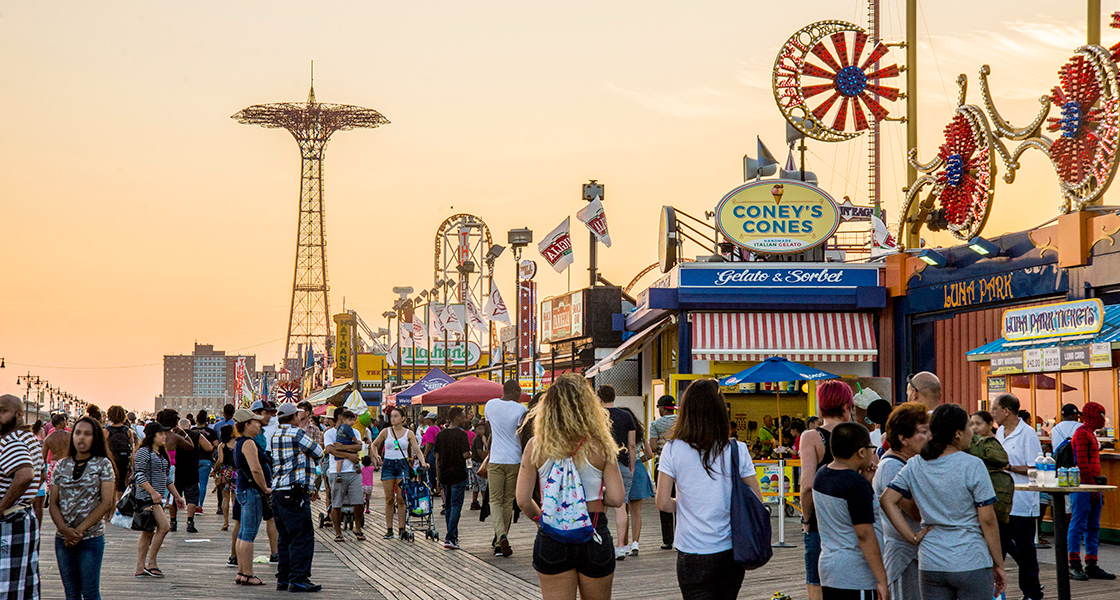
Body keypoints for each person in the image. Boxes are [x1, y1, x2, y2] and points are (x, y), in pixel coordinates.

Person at [516, 374, 625, 600]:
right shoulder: (602, 444)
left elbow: (523, 500)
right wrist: (597, 498)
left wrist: (541, 520)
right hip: (593, 530)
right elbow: (616, 498)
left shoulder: (536, 445)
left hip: (553, 534)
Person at [881, 404, 1006, 600]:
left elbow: (887, 500)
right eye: (968, 427)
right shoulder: (972, 465)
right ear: (957, 433)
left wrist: (911, 537)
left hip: (931, 561)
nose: (971, 432)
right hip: (970, 558)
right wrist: (998, 563)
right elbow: (988, 520)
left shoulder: (915, 464)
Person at [655, 379, 762, 600]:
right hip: (731, 550)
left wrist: (684, 504)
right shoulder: (737, 449)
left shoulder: (672, 449)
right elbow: (756, 500)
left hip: (691, 552)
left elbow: (663, 502)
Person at [813, 422, 887, 600]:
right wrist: (882, 579)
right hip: (856, 574)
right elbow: (864, 534)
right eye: (871, 448)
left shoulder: (822, 475)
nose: (873, 452)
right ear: (861, 452)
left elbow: (842, 512)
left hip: (829, 568)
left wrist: (865, 479)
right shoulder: (856, 485)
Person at [49, 416, 115, 600]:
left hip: (90, 537)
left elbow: (106, 502)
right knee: (71, 593)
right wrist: (64, 530)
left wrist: (78, 531)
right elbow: (53, 502)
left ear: (95, 438)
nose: (81, 438)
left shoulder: (103, 464)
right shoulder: (62, 465)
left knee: (90, 592)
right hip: (63, 538)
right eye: (78, 433)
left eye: (88, 434)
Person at [799, 380, 853, 600]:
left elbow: (807, 486)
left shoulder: (812, 437)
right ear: (845, 406)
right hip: (851, 520)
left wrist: (806, 519)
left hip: (821, 521)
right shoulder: (856, 435)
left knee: (816, 582)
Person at [871, 402, 930, 600]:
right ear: (903, 438)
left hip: (915, 554)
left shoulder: (909, 462)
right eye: (922, 432)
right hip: (904, 556)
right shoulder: (891, 467)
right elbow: (915, 510)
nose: (928, 437)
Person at [991, 393, 1043, 600]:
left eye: (995, 409)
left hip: (1023, 502)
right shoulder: (1000, 433)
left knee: (1026, 551)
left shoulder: (1027, 434)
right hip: (1002, 503)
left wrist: (1010, 467)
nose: (992, 413)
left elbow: (1036, 468)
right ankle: (995, 593)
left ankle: (1031, 593)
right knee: (998, 550)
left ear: (1006, 411)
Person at [270, 402, 325, 593]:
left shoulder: (275, 435)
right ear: (294, 417)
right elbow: (319, 452)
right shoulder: (297, 434)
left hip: (278, 491)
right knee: (302, 535)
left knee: (284, 537)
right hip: (295, 491)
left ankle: (283, 578)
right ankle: (299, 578)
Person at [0, 394, 43, 598]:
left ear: (18, 414)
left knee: (5, 587)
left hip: (9, 520)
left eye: (2, 411)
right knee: (23, 584)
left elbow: (26, 474)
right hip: (23, 517)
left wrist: (2, 506)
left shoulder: (11, 440)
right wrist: (27, 497)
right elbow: (40, 473)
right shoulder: (29, 439)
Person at [1067, 401, 1115, 581]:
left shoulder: (1089, 434)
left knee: (1093, 526)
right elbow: (1082, 463)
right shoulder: (1081, 434)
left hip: (1092, 486)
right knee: (1078, 524)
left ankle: (1091, 564)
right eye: (1101, 415)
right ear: (1092, 415)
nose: (1103, 419)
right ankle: (1074, 564)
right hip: (1083, 486)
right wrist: (1092, 488)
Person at [133, 421, 185, 579]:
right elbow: (139, 475)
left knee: (148, 532)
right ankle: (151, 563)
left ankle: (141, 567)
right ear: (152, 436)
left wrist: (176, 495)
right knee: (164, 527)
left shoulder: (161, 454)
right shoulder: (144, 452)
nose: (165, 436)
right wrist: (153, 492)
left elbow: (166, 477)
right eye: (161, 434)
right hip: (146, 498)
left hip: (157, 498)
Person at [369, 407, 427, 539]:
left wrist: (423, 462)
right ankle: (389, 529)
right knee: (389, 499)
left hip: (402, 464)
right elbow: (373, 444)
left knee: (401, 499)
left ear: (402, 418)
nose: (392, 418)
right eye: (391, 416)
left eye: (396, 416)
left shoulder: (409, 433)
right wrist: (377, 455)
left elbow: (417, 450)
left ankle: (402, 528)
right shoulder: (385, 431)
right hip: (388, 464)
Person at [485, 380, 527, 557]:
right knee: (508, 501)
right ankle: (500, 539)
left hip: (495, 459)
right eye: (519, 391)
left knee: (494, 500)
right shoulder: (521, 410)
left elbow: (491, 431)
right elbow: (522, 434)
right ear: (513, 391)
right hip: (514, 459)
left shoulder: (490, 405)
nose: (520, 395)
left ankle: (500, 536)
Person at [232, 408, 270, 585]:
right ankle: (247, 573)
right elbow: (256, 469)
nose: (259, 426)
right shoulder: (248, 443)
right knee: (249, 533)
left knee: (243, 532)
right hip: (252, 490)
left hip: (244, 489)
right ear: (247, 424)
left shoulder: (240, 442)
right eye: (255, 422)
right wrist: (265, 488)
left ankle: (242, 572)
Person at [597, 385, 636, 561]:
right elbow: (632, 444)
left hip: (600, 465)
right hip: (622, 463)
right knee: (622, 505)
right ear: (614, 396)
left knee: (600, 505)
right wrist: (632, 467)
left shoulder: (596, 416)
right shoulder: (626, 416)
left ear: (599, 398)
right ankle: (621, 546)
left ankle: (601, 542)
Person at [323, 409, 365, 542]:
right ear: (340, 417)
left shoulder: (355, 431)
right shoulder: (330, 433)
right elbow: (330, 450)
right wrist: (349, 455)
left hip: (354, 471)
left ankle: (357, 527)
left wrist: (342, 447)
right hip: (336, 472)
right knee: (337, 502)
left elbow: (359, 447)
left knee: (359, 501)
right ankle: (338, 532)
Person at [617, 406, 654, 556]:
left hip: (624, 467)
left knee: (623, 509)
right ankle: (635, 543)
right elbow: (650, 453)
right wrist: (640, 460)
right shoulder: (639, 434)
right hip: (638, 469)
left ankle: (623, 544)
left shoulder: (620, 435)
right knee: (636, 511)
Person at [434, 407, 471, 549]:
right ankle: (449, 537)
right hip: (458, 474)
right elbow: (465, 455)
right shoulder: (462, 435)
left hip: (444, 474)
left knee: (448, 505)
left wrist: (438, 478)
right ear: (456, 417)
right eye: (462, 416)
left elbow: (437, 457)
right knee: (456, 505)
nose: (464, 419)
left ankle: (453, 537)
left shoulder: (441, 435)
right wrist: (471, 453)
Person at [969, 411, 1013, 524]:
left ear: (989, 424)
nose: (974, 427)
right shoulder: (972, 443)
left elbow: (1003, 460)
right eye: (971, 424)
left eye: (978, 424)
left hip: (995, 496)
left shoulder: (989, 443)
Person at [171, 417, 212, 534]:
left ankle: (173, 522)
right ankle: (190, 522)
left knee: (174, 496)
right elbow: (209, 447)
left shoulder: (173, 436)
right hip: (191, 469)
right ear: (189, 426)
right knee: (192, 497)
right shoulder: (196, 435)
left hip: (176, 471)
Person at [648, 394, 677, 550]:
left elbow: (652, 448)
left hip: (663, 467)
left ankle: (668, 540)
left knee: (664, 501)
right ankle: (681, 537)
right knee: (681, 501)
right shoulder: (682, 421)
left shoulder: (656, 424)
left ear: (662, 408)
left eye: (659, 407)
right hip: (681, 467)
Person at [105, 405, 137, 521]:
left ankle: (109, 514)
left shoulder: (106, 431)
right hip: (125, 460)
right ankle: (120, 510)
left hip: (111, 460)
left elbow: (103, 447)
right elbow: (132, 448)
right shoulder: (127, 431)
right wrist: (132, 464)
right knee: (122, 487)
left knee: (111, 487)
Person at [193, 410, 219, 516]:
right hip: (206, 460)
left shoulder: (192, 431)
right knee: (203, 483)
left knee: (194, 483)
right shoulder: (210, 432)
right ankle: (199, 507)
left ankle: (193, 504)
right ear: (207, 421)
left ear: (196, 420)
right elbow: (216, 444)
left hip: (194, 459)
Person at [214, 425, 236, 533]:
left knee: (225, 497)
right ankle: (237, 520)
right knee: (235, 497)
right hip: (237, 473)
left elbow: (220, 460)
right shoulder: (238, 444)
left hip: (226, 473)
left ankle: (226, 522)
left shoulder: (222, 445)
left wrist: (215, 470)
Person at [468, 421, 488, 510]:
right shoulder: (478, 439)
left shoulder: (480, 438)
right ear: (475, 430)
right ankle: (485, 501)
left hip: (475, 463)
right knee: (482, 483)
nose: (481, 431)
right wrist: (485, 460)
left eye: (483, 429)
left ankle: (474, 501)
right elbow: (480, 452)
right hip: (478, 463)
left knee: (476, 483)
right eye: (479, 429)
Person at [420, 414, 442, 497]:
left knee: (430, 469)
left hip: (431, 450)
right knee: (435, 469)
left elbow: (429, 443)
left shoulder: (430, 429)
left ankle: (431, 487)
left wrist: (425, 454)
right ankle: (437, 486)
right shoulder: (437, 428)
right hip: (436, 449)